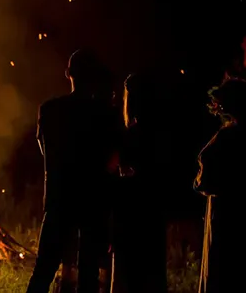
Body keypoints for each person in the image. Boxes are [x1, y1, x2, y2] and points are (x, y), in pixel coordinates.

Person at [26, 49, 121, 293]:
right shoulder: (104, 114)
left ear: (69, 74)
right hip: (93, 201)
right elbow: (112, 160)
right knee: (89, 273)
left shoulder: (49, 110)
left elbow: (43, 148)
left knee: (44, 269)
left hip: (59, 198)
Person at [195, 79, 246, 293]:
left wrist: (201, 182)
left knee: (224, 277)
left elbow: (206, 176)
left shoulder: (228, 137)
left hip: (228, 221)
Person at [111, 73, 168, 293]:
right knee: (151, 274)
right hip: (153, 214)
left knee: (132, 275)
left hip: (132, 217)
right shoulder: (160, 135)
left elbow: (122, 180)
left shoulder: (131, 136)